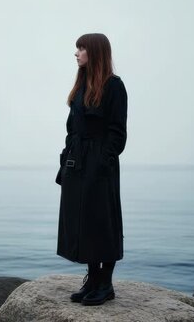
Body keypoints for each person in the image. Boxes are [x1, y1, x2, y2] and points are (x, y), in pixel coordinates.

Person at [55, 33, 128, 306]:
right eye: (77, 48)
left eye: (81, 48)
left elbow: (117, 133)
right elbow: (71, 129)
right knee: (82, 223)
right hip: (76, 162)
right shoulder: (81, 86)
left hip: (100, 165)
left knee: (102, 222)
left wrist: (103, 162)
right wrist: (66, 160)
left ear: (94, 52)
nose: (76, 53)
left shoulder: (114, 87)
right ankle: (93, 279)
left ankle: (106, 285)